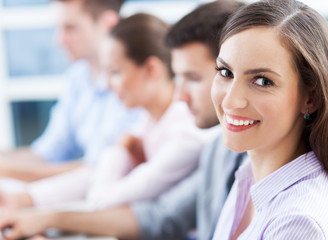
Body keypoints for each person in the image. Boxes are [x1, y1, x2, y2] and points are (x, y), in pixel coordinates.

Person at [0, 1, 244, 240]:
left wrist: (119, 149)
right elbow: (91, 174)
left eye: (192, 77)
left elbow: (105, 197)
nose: (107, 84)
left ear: (151, 70)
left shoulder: (189, 134)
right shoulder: (158, 124)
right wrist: (27, 203)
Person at [211, 0, 328, 239]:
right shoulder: (250, 174)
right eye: (226, 72)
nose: (231, 101)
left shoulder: (301, 223)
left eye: (262, 81)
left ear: (310, 99)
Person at [0, 0, 143, 183]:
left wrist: (8, 171)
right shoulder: (78, 77)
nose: (59, 40)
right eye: (59, 28)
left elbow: (98, 170)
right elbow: (48, 153)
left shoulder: (131, 84)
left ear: (109, 24)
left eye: (71, 28)